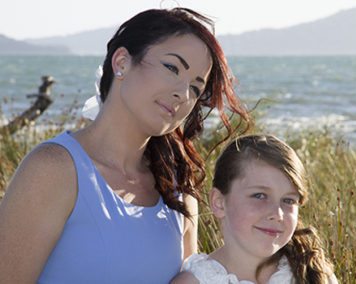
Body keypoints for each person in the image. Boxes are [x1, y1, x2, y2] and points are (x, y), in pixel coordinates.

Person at [0, 7, 249, 284]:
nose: (182, 92)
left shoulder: (178, 188)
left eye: (195, 88)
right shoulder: (53, 169)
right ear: (121, 62)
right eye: (171, 68)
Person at [172, 134, 338, 283]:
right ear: (218, 202)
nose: (277, 214)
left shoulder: (314, 274)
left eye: (288, 200)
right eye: (259, 196)